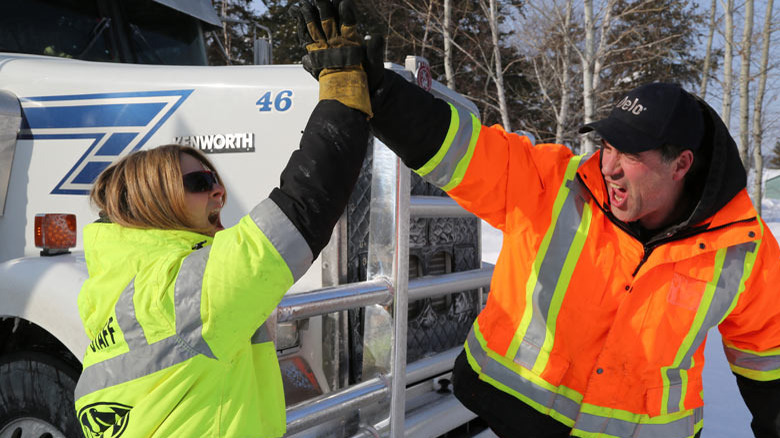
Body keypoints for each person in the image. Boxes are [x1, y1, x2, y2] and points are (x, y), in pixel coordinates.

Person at [292, 2, 780, 437]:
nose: (608, 165)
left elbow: (771, 361)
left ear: (682, 164)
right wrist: (380, 92)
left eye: (629, 152)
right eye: (607, 144)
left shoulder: (744, 250)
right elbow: (466, 149)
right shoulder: (557, 186)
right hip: (504, 414)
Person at [72, 11, 373, 436]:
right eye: (199, 182)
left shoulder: (120, 287)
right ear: (150, 199)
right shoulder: (174, 292)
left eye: (215, 179)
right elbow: (302, 210)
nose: (220, 193)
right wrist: (342, 94)